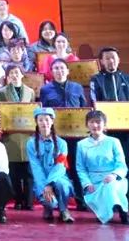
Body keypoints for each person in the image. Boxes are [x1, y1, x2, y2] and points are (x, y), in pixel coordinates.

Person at [90, 46, 129, 212]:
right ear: (101, 61)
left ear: (118, 60)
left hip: (126, 129)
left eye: (113, 57)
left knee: (127, 163)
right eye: (107, 58)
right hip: (106, 131)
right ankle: (110, 200)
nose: (110, 61)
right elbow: (94, 103)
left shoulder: (127, 78)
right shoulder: (96, 80)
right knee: (107, 166)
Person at [40, 58, 88, 210]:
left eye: (62, 68)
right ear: (51, 72)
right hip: (56, 137)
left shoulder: (77, 87)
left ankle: (81, 200)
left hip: (75, 136)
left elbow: (84, 109)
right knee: (57, 167)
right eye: (56, 68)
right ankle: (57, 202)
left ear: (67, 71)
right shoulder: (45, 90)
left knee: (76, 167)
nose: (59, 71)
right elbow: (44, 113)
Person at [76, 110, 129, 225]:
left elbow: (121, 164)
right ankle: (103, 212)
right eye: (92, 122)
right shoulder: (81, 144)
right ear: (87, 124)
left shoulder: (114, 142)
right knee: (101, 189)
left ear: (104, 124)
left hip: (112, 178)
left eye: (98, 122)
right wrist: (87, 183)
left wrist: (114, 175)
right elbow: (81, 168)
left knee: (111, 185)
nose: (95, 125)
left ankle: (123, 212)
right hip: (93, 179)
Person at [0, 64, 36, 211]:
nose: (14, 75)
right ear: (7, 76)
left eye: (17, 72)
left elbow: (33, 112)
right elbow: (0, 112)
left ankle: (29, 201)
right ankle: (18, 200)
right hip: (10, 135)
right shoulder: (2, 92)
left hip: (27, 135)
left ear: (22, 74)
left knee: (28, 171)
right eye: (11, 73)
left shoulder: (30, 92)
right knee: (14, 171)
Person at [26, 107, 74, 223]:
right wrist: (45, 185)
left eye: (47, 119)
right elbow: (36, 168)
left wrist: (50, 183)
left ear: (52, 121)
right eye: (41, 120)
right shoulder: (31, 143)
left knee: (62, 185)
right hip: (41, 180)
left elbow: (60, 166)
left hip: (58, 177)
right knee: (50, 202)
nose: (44, 123)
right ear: (36, 122)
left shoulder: (62, 143)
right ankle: (48, 208)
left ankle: (64, 210)